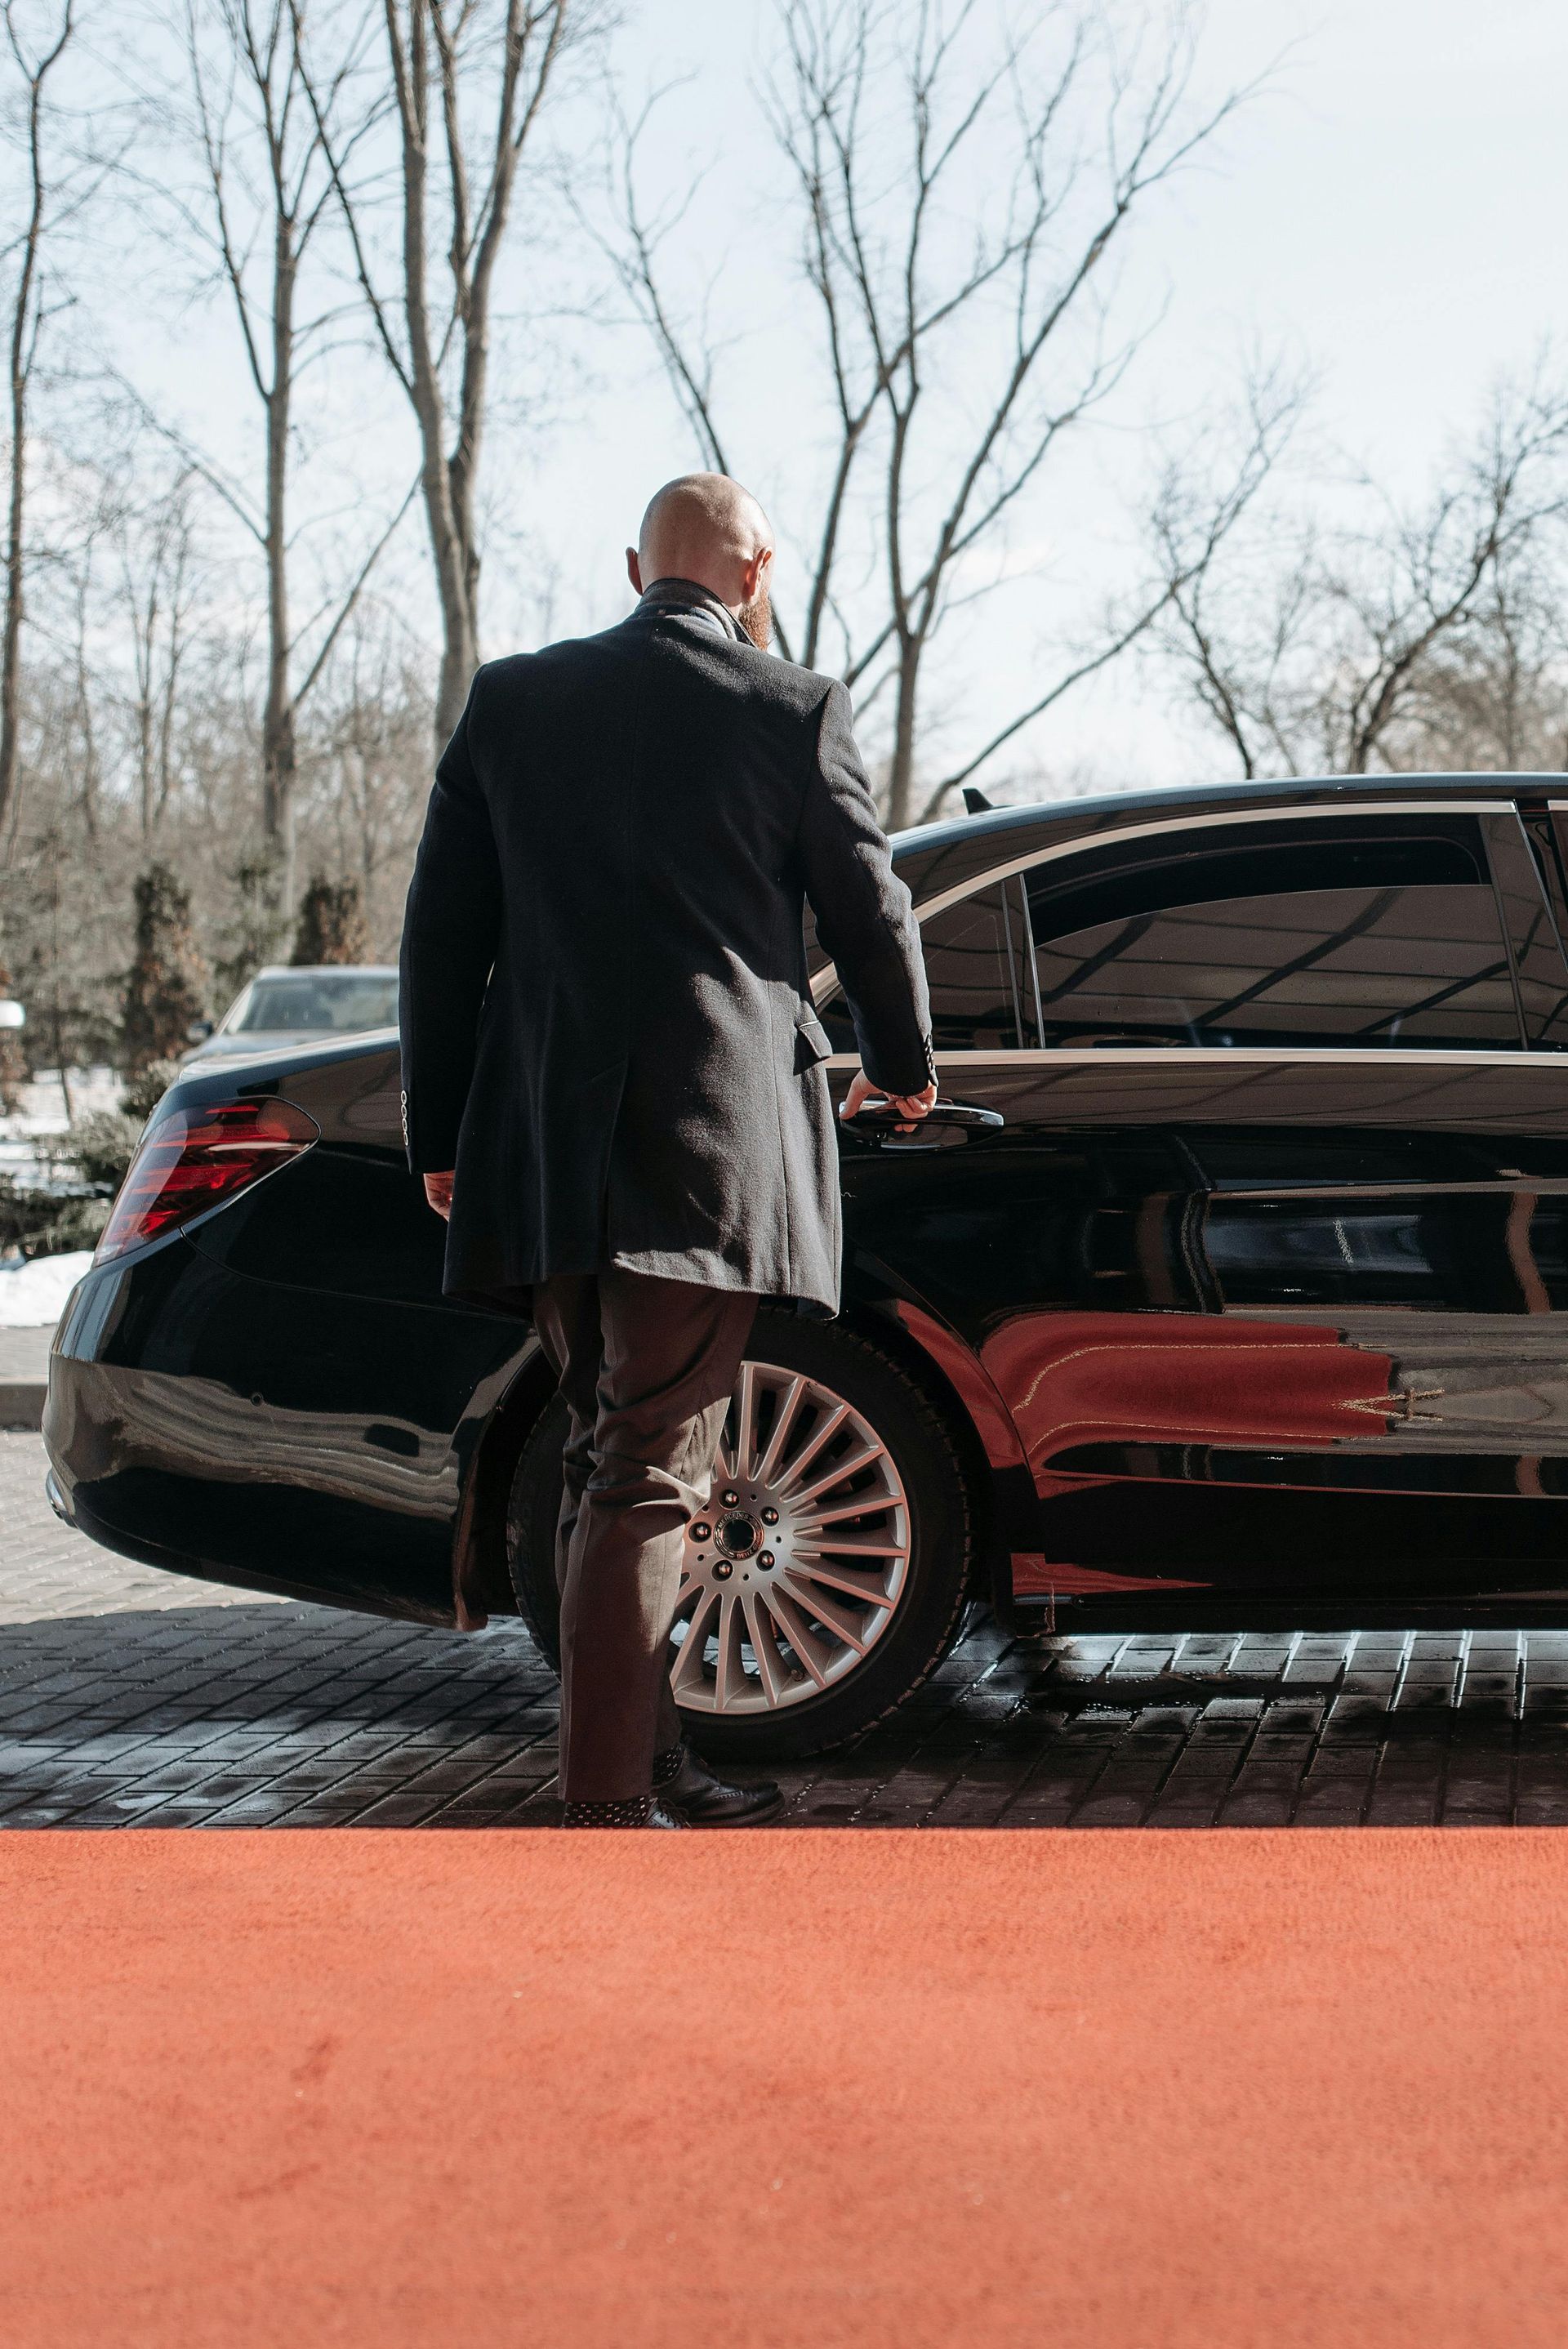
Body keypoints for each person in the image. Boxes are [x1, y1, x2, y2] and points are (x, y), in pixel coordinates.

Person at [399, 472, 935, 1828]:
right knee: (645, 1466)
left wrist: (439, 1132)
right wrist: (905, 1064)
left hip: (543, 1145)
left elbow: (440, 935)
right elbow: (871, 910)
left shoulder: (511, 703)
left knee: (608, 1454)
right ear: (754, 577)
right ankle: (604, 1807)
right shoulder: (791, 707)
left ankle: (647, 1765)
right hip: (704, 1149)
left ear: (635, 566)